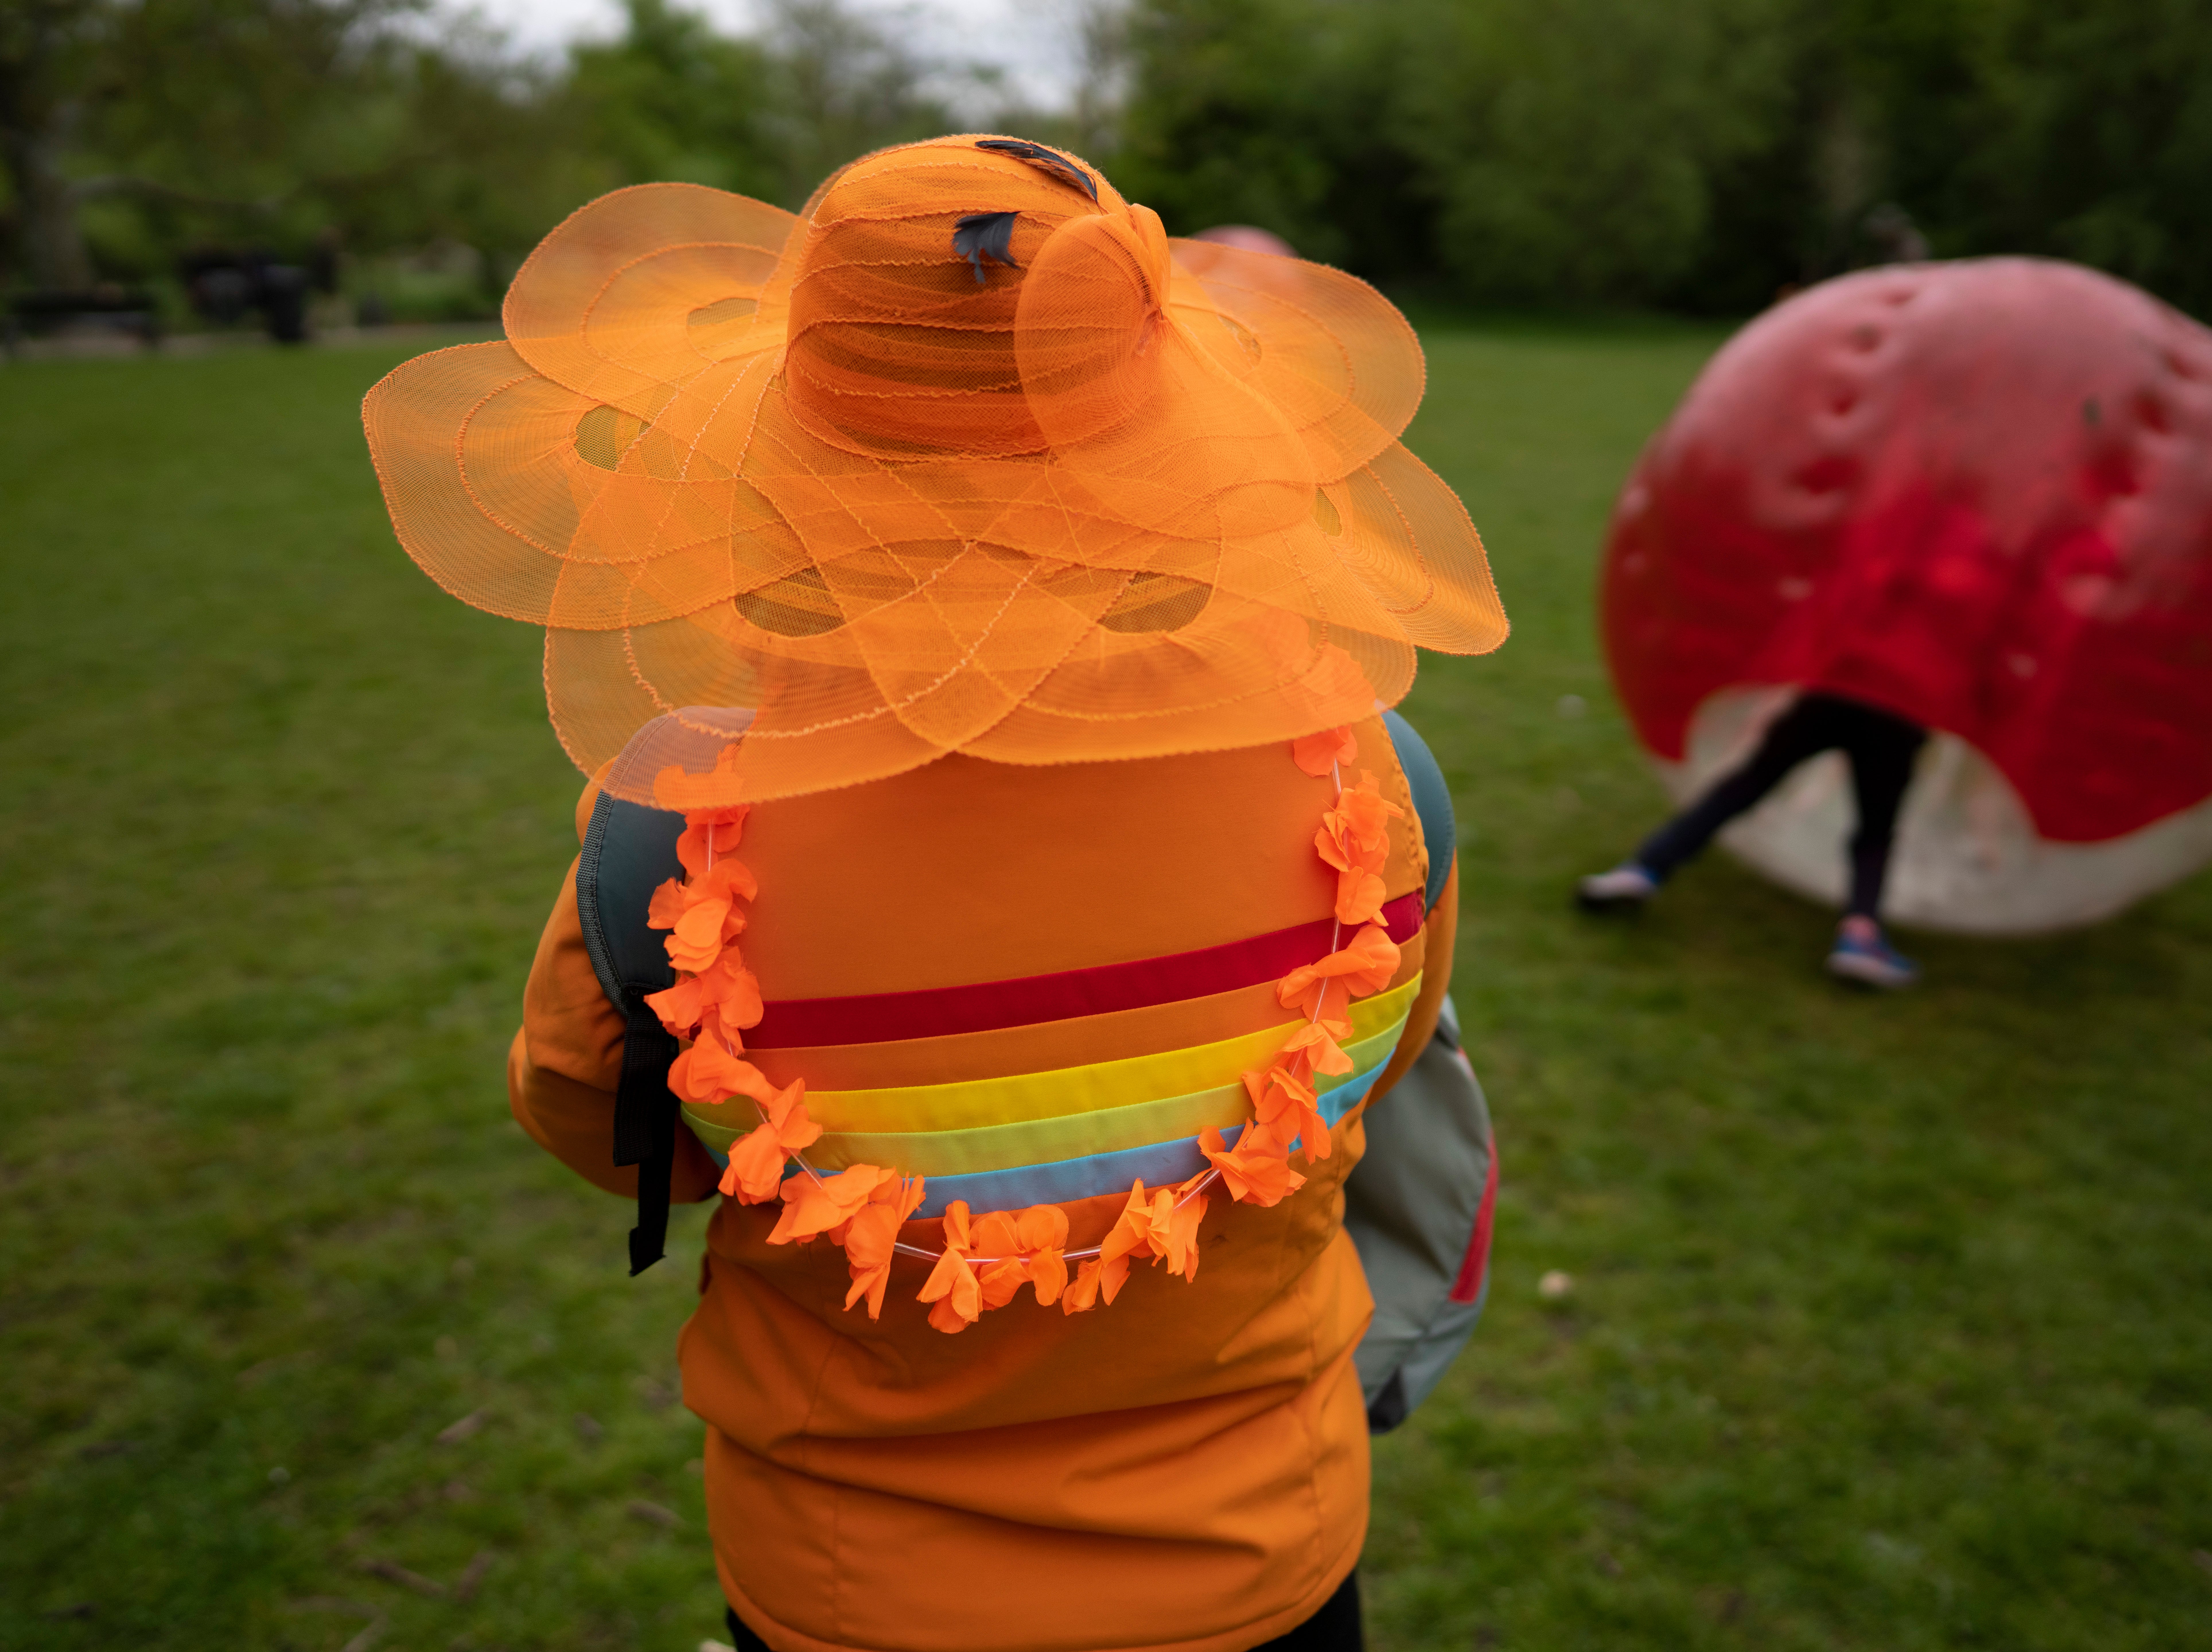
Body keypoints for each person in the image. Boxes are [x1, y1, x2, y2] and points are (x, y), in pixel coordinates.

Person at [362, 135, 1509, 1652]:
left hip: (850, 1584)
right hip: (1261, 1559)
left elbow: (596, 1117)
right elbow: (1384, 1059)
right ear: (1164, 411)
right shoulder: (1367, 784)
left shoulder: (670, 842)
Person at [1576, 691, 1927, 988]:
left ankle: (1644, 871)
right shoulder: (1964, 612)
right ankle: (1860, 939)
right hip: (1901, 712)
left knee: (1745, 787)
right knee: (1876, 831)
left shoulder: (1865, 605)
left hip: (1833, 694)